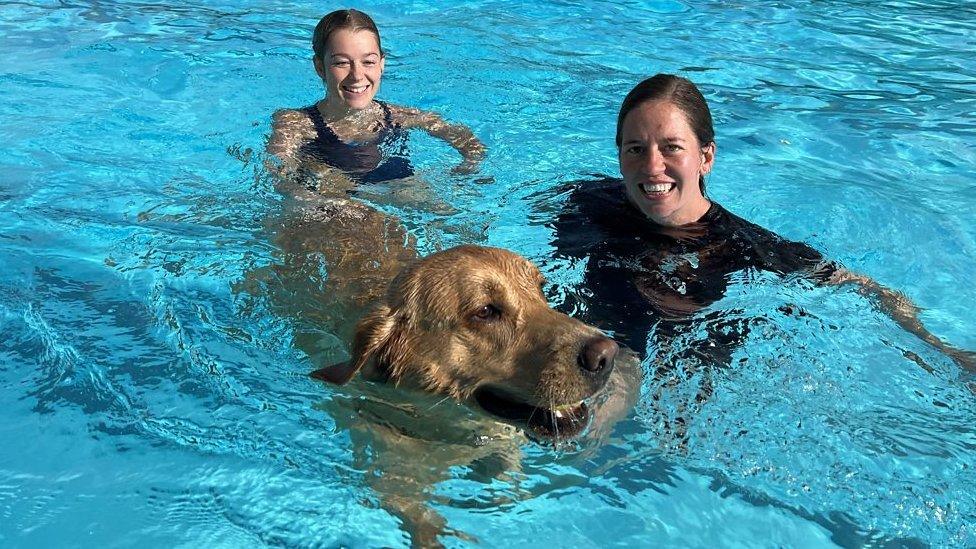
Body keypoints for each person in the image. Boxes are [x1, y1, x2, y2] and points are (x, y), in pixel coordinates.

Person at [552, 73, 974, 371]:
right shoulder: (588, 200)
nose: (653, 166)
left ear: (706, 157)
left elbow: (865, 286)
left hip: (667, 376)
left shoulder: (745, 246)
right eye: (635, 148)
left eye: (672, 147)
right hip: (579, 350)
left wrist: (938, 348)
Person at [267, 9, 485, 190]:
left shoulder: (399, 116)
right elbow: (278, 171)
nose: (357, 75)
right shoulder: (297, 123)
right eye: (342, 63)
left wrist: (467, 168)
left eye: (368, 62)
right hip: (334, 207)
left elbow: (468, 141)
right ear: (319, 67)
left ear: (382, 64)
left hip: (401, 196)